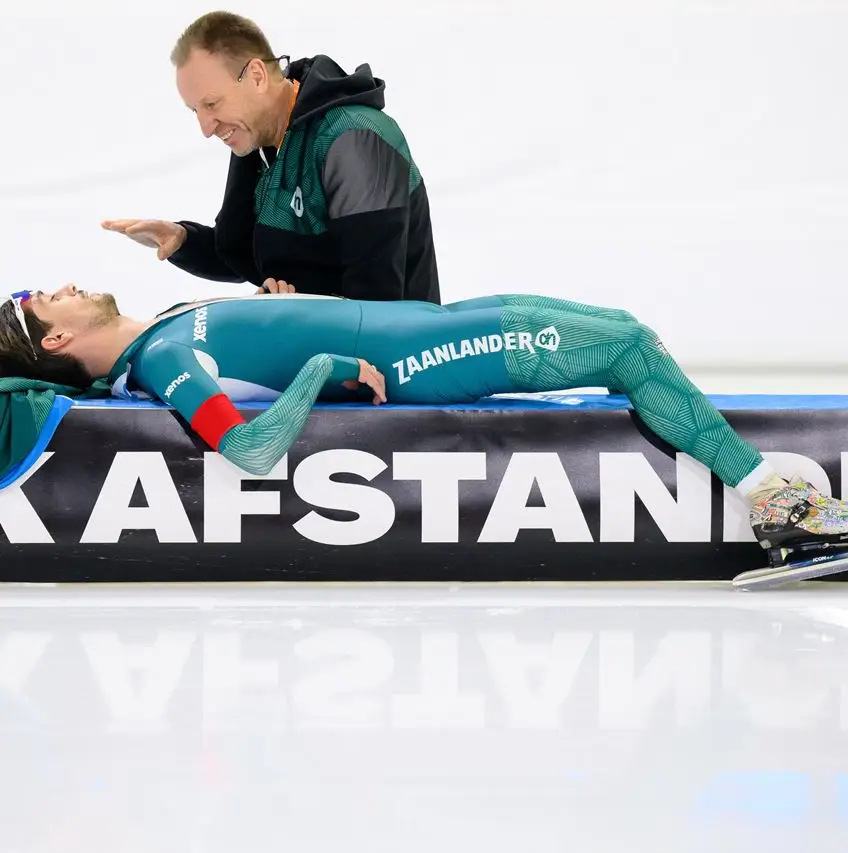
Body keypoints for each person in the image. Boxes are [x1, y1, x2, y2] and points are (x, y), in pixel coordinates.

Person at [2, 284, 847, 556]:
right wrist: (321, 366)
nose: (62, 283)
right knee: (626, 343)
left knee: (628, 339)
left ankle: (780, 502)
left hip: (437, 326)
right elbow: (251, 450)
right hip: (431, 353)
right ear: (62, 336)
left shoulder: (164, 330)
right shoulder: (164, 363)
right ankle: (782, 502)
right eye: (47, 298)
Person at [101, 11, 440, 304]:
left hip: (394, 365)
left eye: (211, 104)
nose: (205, 128)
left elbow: (377, 304)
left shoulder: (354, 138)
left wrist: (290, 309)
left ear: (257, 77)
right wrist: (182, 241)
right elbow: (241, 256)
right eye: (194, 110)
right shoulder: (260, 137)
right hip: (322, 350)